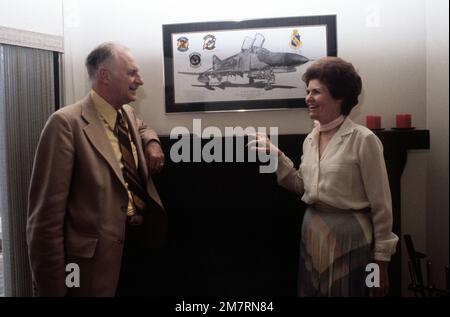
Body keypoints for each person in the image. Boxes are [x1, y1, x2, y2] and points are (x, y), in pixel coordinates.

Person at [26, 42, 167, 296]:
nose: (141, 80)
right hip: (92, 268)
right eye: (132, 73)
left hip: (140, 253)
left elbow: (143, 126)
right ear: (105, 75)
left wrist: (153, 142)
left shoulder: (126, 114)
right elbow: (45, 222)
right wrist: (52, 289)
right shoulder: (65, 124)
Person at [249, 57, 398, 297]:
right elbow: (302, 186)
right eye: (308, 91)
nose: (308, 98)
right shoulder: (311, 139)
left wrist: (381, 266)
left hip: (352, 238)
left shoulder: (364, 139)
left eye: (316, 92)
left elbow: (382, 208)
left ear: (339, 96)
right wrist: (277, 156)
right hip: (313, 233)